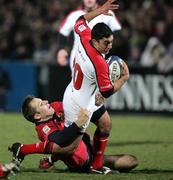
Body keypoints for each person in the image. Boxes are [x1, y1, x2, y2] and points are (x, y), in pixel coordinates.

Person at [62, 0, 130, 173]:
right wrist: (124, 78)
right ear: (96, 40)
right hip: (80, 104)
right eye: (106, 43)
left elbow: (80, 20)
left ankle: (97, 166)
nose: (110, 46)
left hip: (77, 92)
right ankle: (40, 153)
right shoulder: (99, 62)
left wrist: (101, 10)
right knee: (71, 150)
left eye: (111, 42)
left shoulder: (85, 36)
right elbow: (106, 91)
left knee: (105, 124)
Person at [9, 95, 138, 174]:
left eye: (42, 100)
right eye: (41, 104)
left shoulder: (55, 107)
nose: (46, 101)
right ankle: (23, 149)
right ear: (37, 116)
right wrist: (78, 124)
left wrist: (94, 102)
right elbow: (62, 143)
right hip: (82, 163)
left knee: (133, 160)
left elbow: (75, 107)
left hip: (89, 148)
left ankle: (23, 149)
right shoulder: (44, 129)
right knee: (129, 162)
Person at [57, 0, 121, 68]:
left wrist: (106, 42)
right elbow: (63, 32)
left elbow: (117, 31)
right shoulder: (74, 15)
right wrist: (61, 49)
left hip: (99, 58)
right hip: (78, 59)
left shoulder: (106, 13)